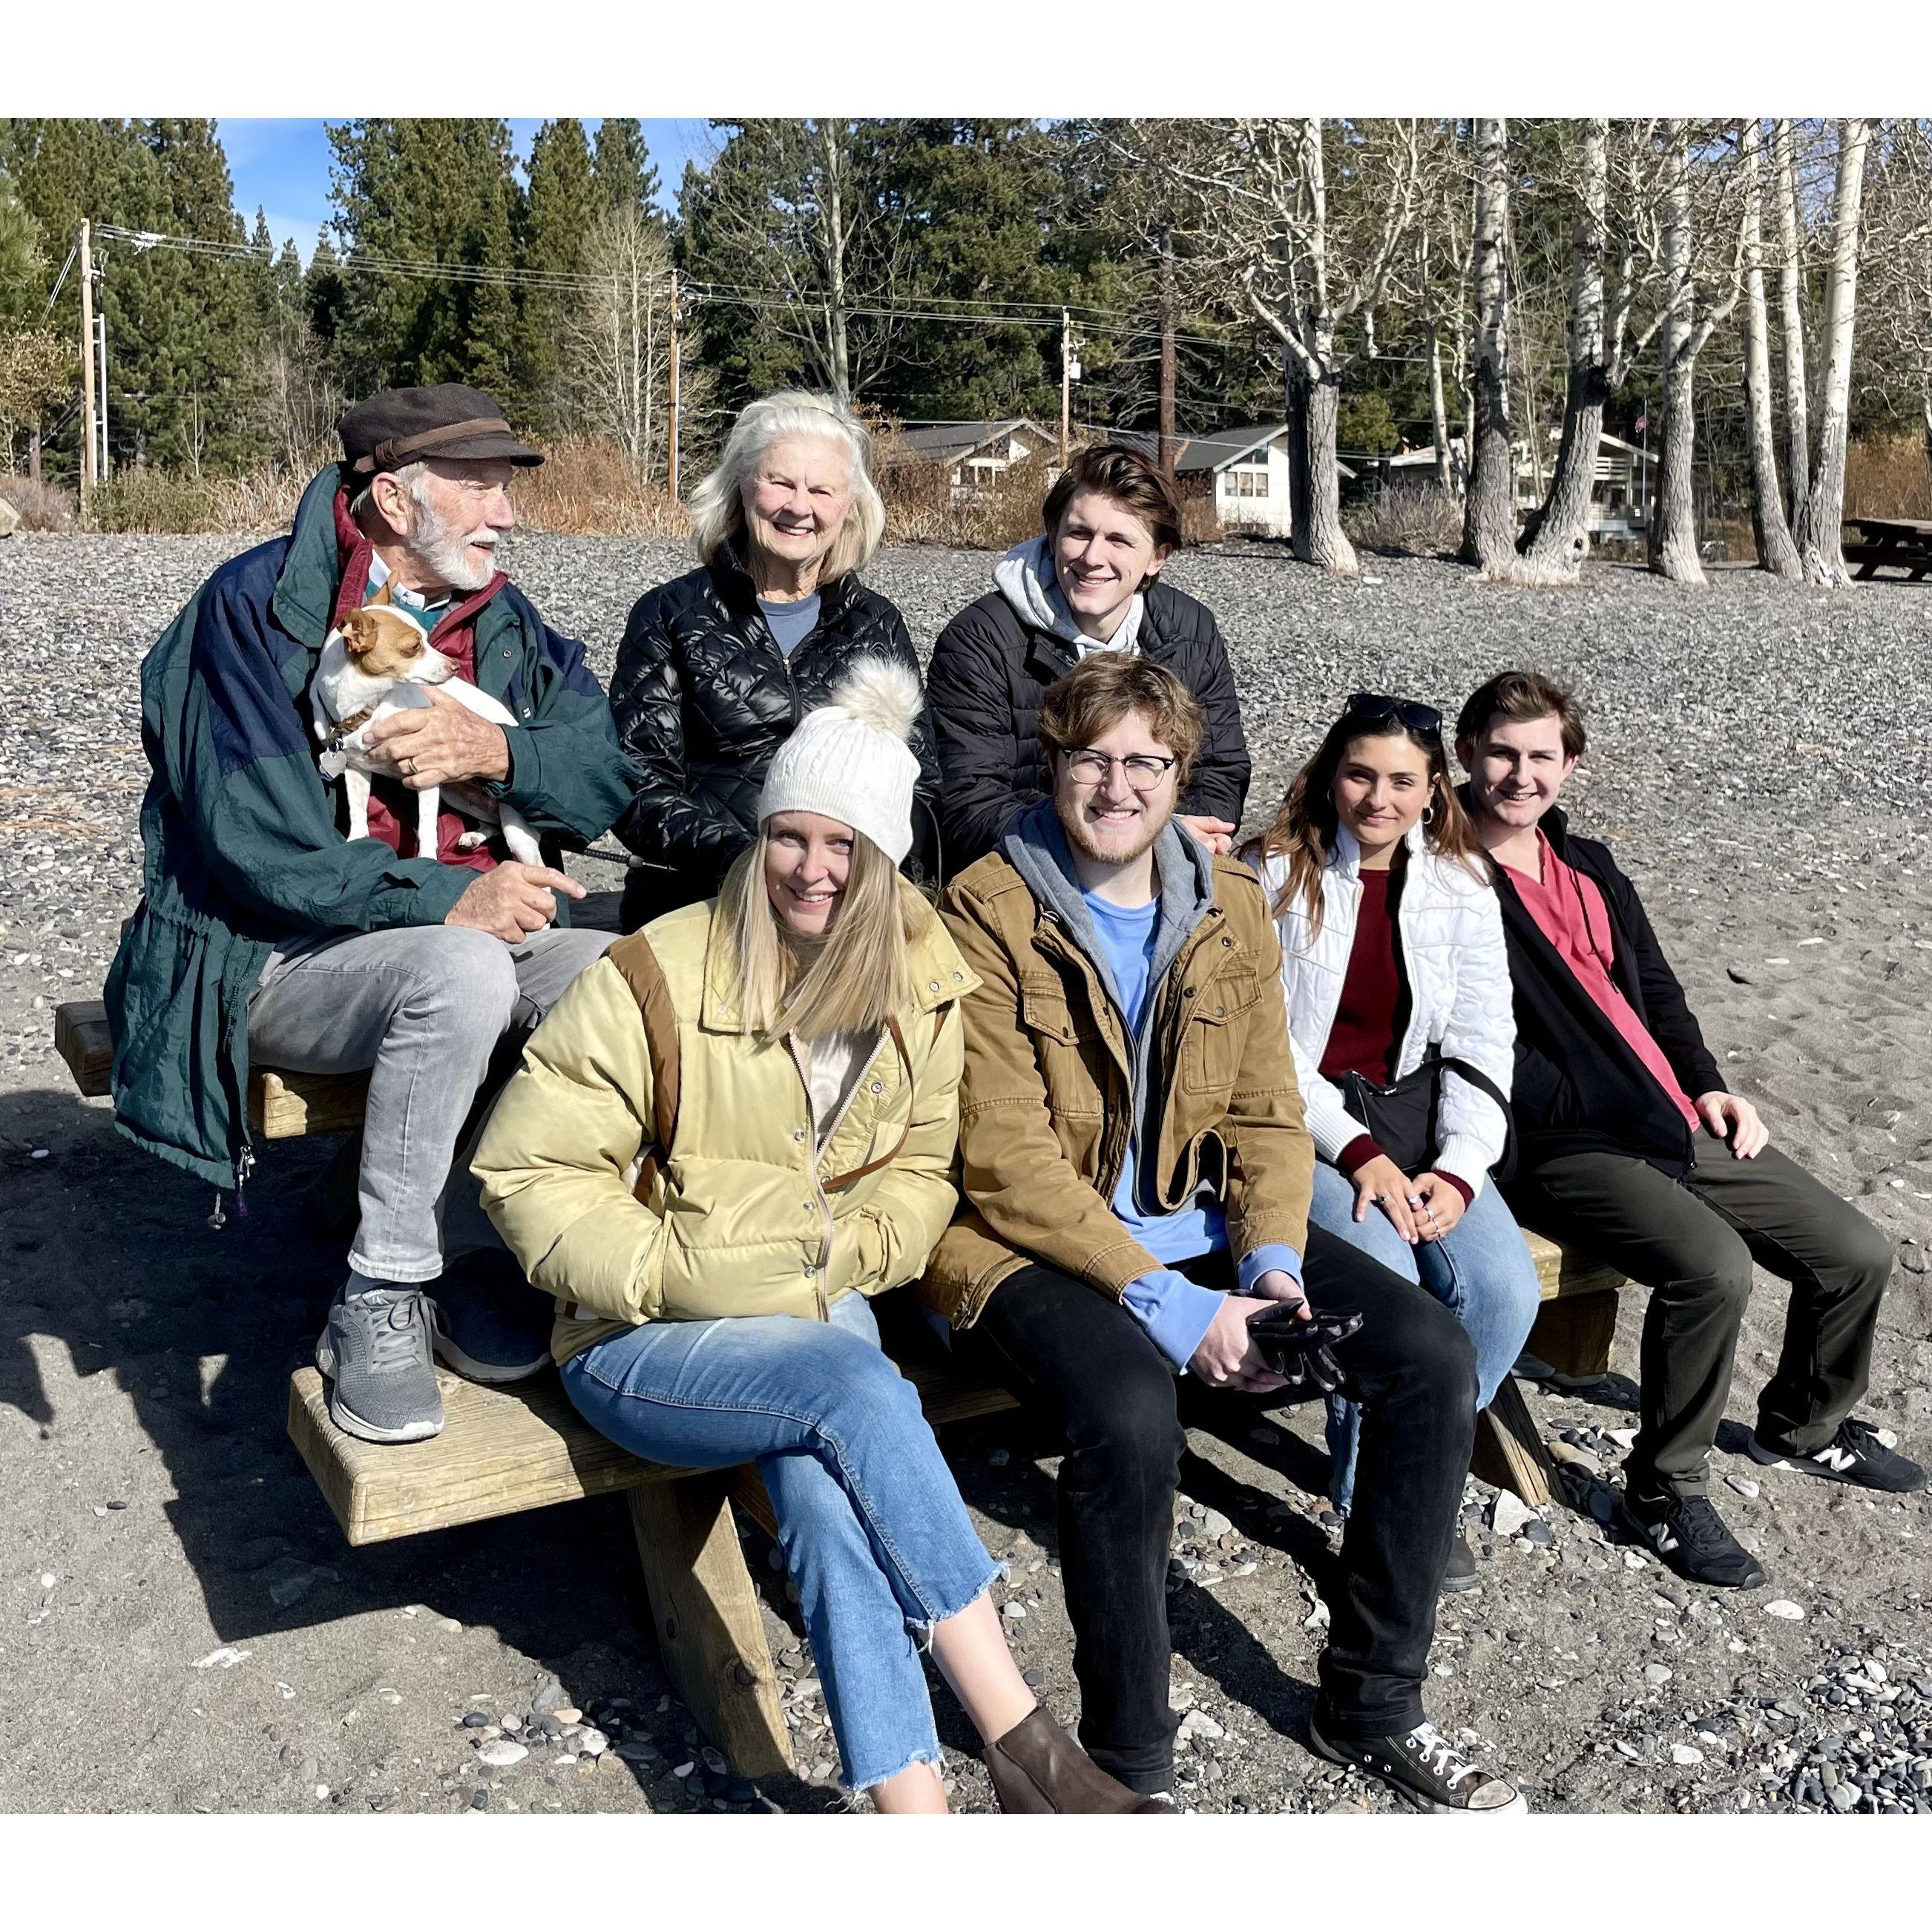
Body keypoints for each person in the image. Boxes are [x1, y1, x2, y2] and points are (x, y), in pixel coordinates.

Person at [473, 663, 1159, 1814]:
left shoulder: (925, 983)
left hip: (816, 1312)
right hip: (641, 1335)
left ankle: (912, 1813)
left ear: (886, 859)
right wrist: (680, 1272)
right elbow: (528, 1172)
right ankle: (1026, 1741)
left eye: (844, 848)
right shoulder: (658, 970)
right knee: (851, 1381)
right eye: (788, 838)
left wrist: (830, 1263)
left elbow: (923, 1179)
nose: (812, 869)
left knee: (825, 1478)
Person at [925, 654, 1526, 1813]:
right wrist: (1179, 1307)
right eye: (1092, 758)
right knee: (1130, 1408)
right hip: (1023, 1242)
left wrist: (1271, 1264)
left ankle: (1373, 1702)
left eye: (1146, 761)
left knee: (1428, 1354)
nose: (1118, 785)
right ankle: (1130, 1765)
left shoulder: (1228, 905)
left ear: (1180, 773)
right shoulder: (985, 910)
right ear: (1053, 762)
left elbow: (1262, 1111)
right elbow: (1003, 1161)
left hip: (1196, 1215)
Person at [104, 384, 634, 1445]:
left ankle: (486, 1239)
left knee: (617, 976)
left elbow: (605, 777)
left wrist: (500, 753)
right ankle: (380, 1294)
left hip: (446, 932)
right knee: (465, 974)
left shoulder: (505, 622)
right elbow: (259, 852)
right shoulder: (252, 611)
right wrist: (452, 898)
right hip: (269, 958)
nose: (506, 514)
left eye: (505, 490)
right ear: (393, 496)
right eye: (479, 488)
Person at [1455, 668, 1926, 1588]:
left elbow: (1658, 993)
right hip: (1560, 1142)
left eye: (1540, 755)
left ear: (1571, 764)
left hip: (1668, 1113)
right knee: (1711, 1266)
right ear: (1466, 755)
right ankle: (1662, 1493)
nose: (1520, 774)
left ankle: (1807, 1426)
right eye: (1501, 753)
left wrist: (1709, 1086)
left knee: (1855, 1254)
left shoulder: (1589, 865)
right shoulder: (1446, 878)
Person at [1245, 694, 1541, 1586]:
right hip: (1309, 1124)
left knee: (1501, 1289)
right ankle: (1374, 1499)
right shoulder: (1269, 872)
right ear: (1331, 774)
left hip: (1419, 1121)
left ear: (1431, 789)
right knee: (1392, 1286)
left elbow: (1487, 1039)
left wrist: (1457, 1168)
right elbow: (1263, 1045)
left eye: (1402, 781)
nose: (1378, 797)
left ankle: (1416, 1471)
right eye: (1361, 774)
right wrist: (1356, 1152)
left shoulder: (1460, 880)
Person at [610, 390, 940, 930]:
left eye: (822, 490)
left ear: (850, 505)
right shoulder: (671, 614)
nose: (799, 507)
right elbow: (634, 783)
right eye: (781, 482)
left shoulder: (876, 623)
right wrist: (753, 861)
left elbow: (920, 785)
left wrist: (851, 868)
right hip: (702, 898)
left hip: (841, 905)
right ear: (742, 485)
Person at [924, 443, 1251, 872]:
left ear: (1157, 557)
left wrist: (1172, 846)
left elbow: (1220, 768)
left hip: (1163, 872)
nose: (1093, 557)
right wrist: (1130, 844)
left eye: (1119, 540)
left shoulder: (1190, 632)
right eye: (1079, 533)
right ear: (1052, 534)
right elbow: (969, 806)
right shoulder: (979, 641)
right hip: (1029, 877)